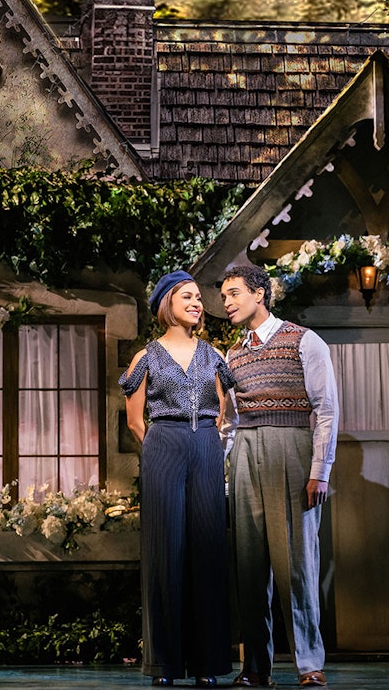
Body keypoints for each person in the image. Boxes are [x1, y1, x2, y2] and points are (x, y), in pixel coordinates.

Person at [219, 263, 339, 688]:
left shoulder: (303, 341)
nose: (227, 303)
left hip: (292, 448)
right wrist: (229, 477)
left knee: (297, 565)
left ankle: (310, 663)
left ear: (259, 294)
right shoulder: (233, 354)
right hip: (248, 452)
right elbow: (230, 422)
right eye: (224, 297)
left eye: (234, 294)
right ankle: (255, 667)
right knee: (249, 566)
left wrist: (319, 471)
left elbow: (326, 410)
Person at [120, 270, 236, 687]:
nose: (197, 303)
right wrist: (162, 449)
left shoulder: (215, 355)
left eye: (200, 298)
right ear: (166, 303)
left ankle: (207, 664)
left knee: (208, 549)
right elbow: (135, 420)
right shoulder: (146, 357)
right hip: (163, 444)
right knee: (164, 551)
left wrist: (208, 446)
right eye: (187, 296)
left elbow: (224, 413)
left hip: (205, 444)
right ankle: (164, 665)